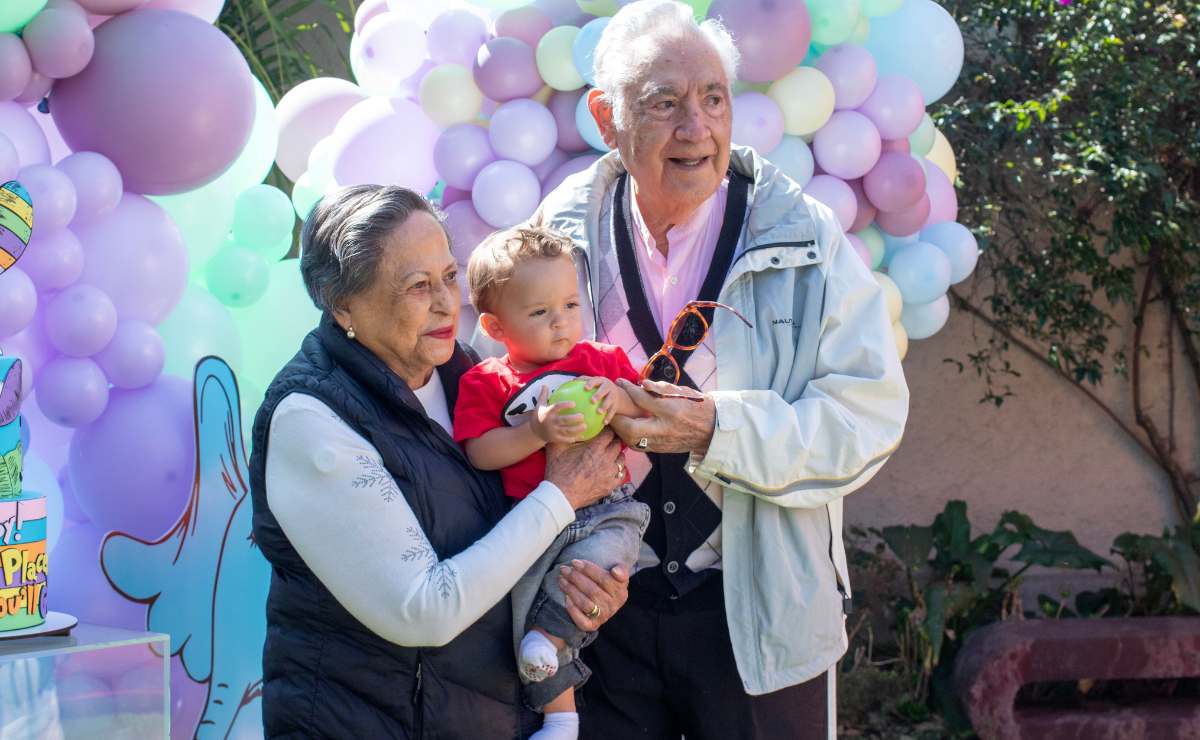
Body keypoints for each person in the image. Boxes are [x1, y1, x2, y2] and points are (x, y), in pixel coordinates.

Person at [502, 1, 911, 737]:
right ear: (606, 117)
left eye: (714, 99)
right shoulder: (553, 236)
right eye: (665, 104)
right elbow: (501, 397)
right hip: (598, 618)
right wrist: (561, 552)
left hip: (762, 612)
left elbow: (867, 415)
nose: (697, 128)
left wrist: (717, 426)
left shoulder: (804, 235)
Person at [247, 185, 633, 739]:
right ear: (343, 304)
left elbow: (510, 543)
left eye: (450, 277)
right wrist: (561, 497)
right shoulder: (312, 418)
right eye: (417, 286)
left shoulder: (466, 374)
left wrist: (584, 580)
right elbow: (424, 610)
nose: (447, 304)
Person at [453, 226, 652, 736]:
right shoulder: (486, 382)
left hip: (608, 508)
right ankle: (561, 716)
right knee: (526, 617)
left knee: (597, 573)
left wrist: (618, 397)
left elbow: (644, 404)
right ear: (496, 327)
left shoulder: (598, 363)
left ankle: (551, 641)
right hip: (531, 523)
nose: (561, 323)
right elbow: (480, 451)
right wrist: (534, 431)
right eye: (540, 313)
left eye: (569, 304)